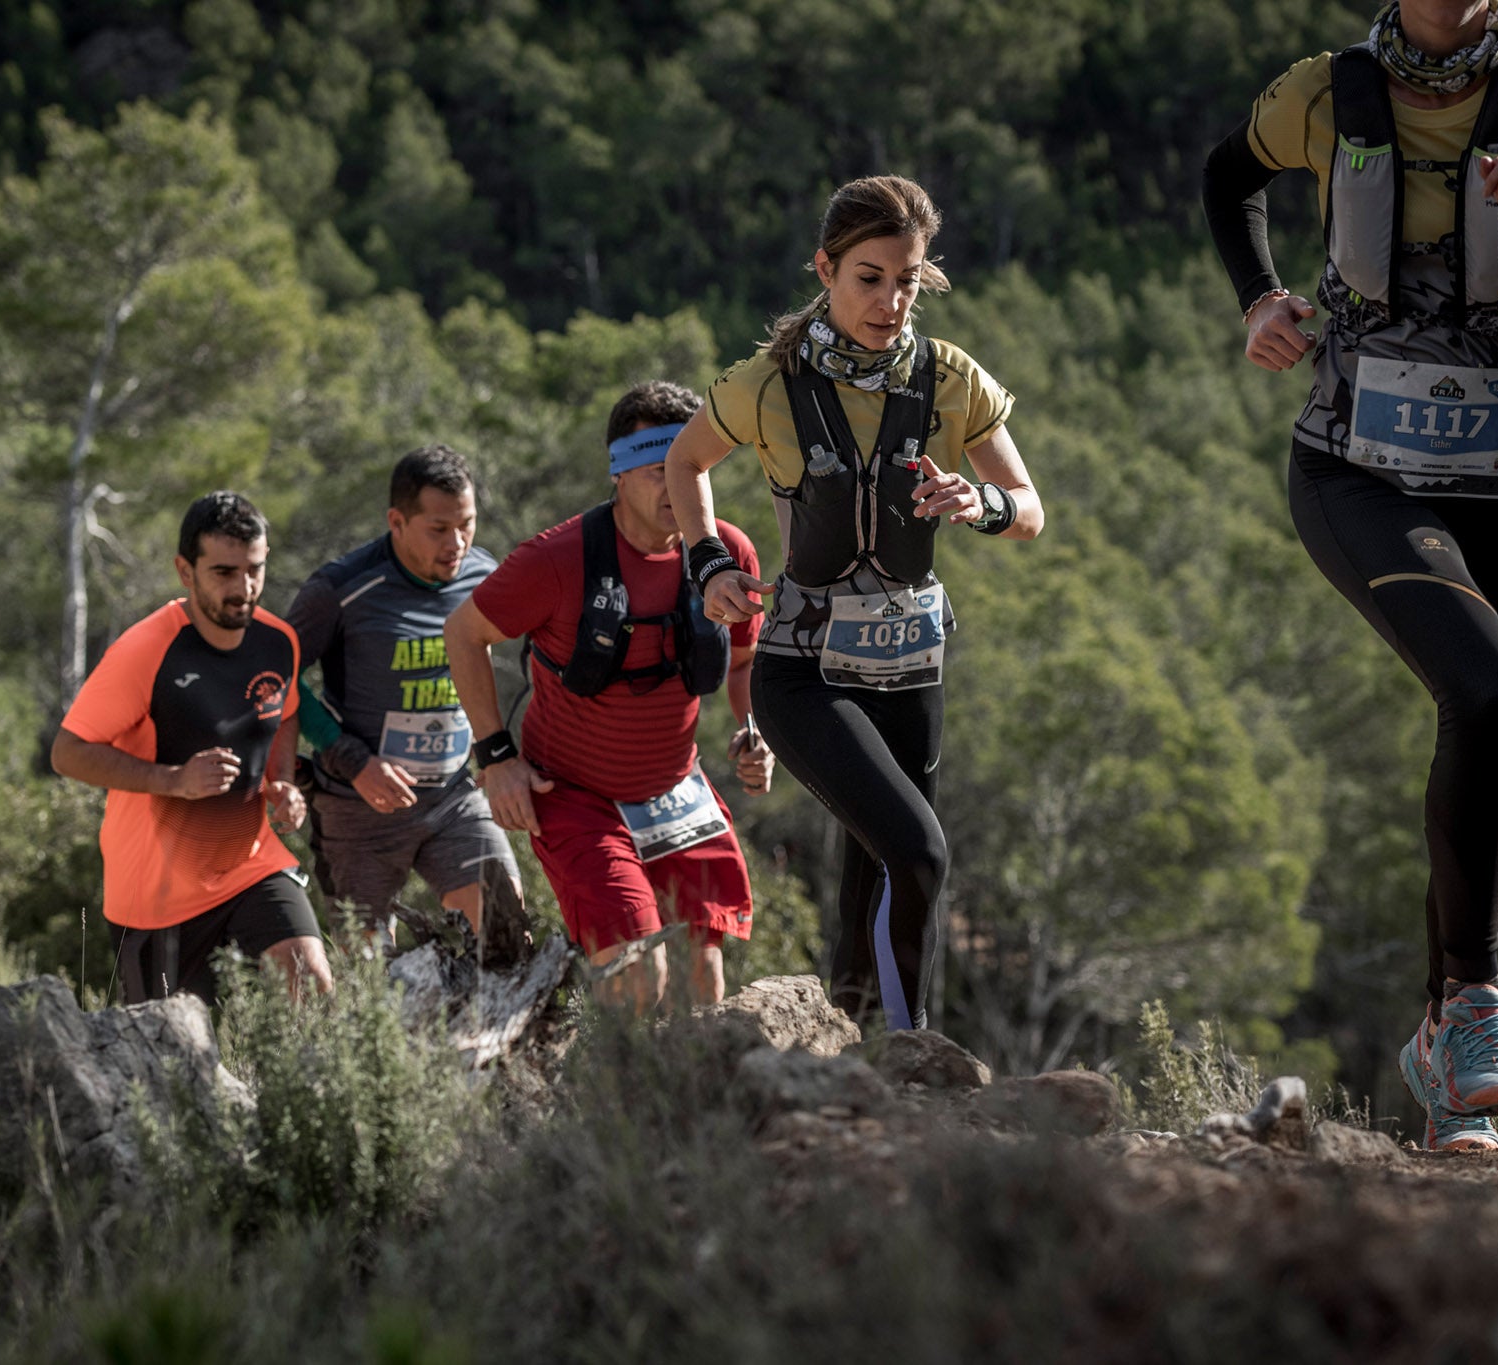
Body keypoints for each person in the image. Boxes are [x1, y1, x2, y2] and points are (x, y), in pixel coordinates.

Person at [1202, 0, 1498, 1150]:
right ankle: (1475, 1008)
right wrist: (1258, 299)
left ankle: (1445, 1059)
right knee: (1482, 693)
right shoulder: (1325, 90)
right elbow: (1225, 175)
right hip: (1354, 468)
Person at [664, 174, 1045, 1033]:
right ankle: (907, 1060)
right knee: (918, 852)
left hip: (913, 665)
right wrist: (708, 563)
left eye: (907, 278)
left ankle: (856, 1063)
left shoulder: (950, 378)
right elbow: (685, 464)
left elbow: (1029, 507)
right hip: (803, 673)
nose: (890, 300)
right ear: (825, 270)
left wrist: (975, 504)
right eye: (869, 278)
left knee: (875, 870)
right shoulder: (767, 382)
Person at [445, 382, 774, 1012]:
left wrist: (754, 730)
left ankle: (684, 1108)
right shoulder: (558, 559)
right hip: (575, 795)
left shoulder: (726, 554)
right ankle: (611, 1105)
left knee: (703, 984)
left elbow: (744, 660)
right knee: (636, 977)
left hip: (676, 789)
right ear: (620, 473)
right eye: (662, 471)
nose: (680, 488)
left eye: (694, 471)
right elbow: (464, 633)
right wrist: (496, 759)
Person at [52, 491, 330, 1006]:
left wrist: (284, 781)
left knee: (311, 981)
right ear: (186, 570)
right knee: (169, 1065)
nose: (243, 589)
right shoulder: (144, 650)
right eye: (224, 572)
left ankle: (318, 1090)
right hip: (153, 895)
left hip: (250, 866)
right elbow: (68, 752)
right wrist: (172, 780)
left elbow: (285, 712)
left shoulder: (278, 642)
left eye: (254, 570)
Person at [285, 445, 521, 947]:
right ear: (397, 520)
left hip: (454, 799)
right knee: (370, 980)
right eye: (438, 529)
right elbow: (277, 677)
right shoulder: (341, 589)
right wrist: (352, 760)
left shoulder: (484, 576)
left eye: (467, 524)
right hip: (357, 809)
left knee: (506, 929)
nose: (456, 543)